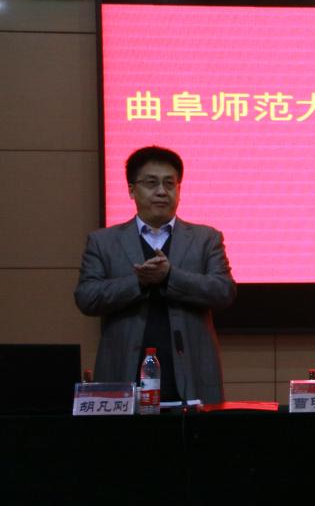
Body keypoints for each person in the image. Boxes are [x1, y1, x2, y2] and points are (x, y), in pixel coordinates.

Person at [74, 146, 236, 403]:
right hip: (124, 373)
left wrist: (170, 276)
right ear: (131, 190)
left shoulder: (206, 239)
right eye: (151, 183)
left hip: (191, 375)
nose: (162, 191)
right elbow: (86, 297)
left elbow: (223, 291)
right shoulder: (103, 242)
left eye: (170, 184)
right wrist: (138, 282)